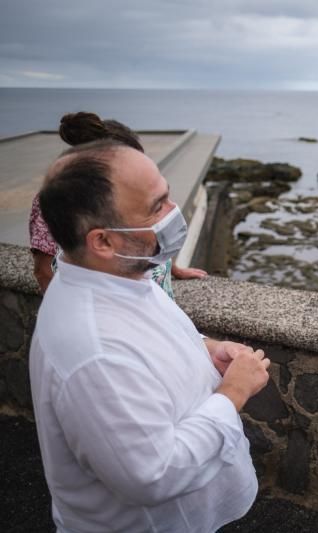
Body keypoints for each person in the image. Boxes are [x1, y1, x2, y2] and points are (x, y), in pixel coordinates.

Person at [29, 138, 270, 531]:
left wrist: (206, 349)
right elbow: (154, 473)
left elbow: (149, 337)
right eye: (157, 206)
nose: (174, 212)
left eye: (167, 194)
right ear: (102, 241)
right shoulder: (93, 351)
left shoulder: (120, 275)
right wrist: (234, 393)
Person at [29, 111, 206, 294]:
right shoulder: (58, 200)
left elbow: (153, 237)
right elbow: (43, 271)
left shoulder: (131, 189)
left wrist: (174, 269)